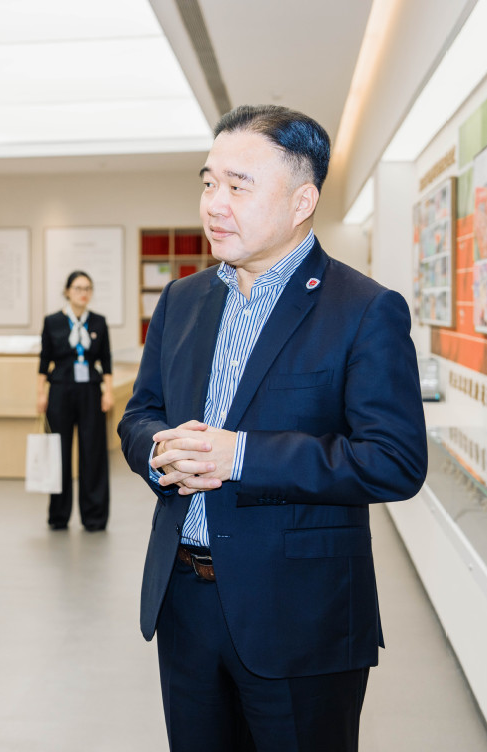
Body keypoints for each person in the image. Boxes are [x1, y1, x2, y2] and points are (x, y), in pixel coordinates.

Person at [118, 104, 427, 752]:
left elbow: (393, 459)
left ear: (301, 201)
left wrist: (240, 456)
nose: (214, 204)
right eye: (208, 183)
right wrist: (158, 450)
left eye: (238, 186)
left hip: (300, 617)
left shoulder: (364, 309)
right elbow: (140, 413)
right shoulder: (182, 300)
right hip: (185, 603)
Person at [36, 270, 113, 531]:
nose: (83, 293)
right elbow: (44, 361)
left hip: (90, 391)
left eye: (88, 288)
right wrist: (40, 394)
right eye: (78, 288)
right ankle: (58, 515)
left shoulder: (99, 322)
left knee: (93, 452)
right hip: (60, 390)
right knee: (59, 453)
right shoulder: (53, 321)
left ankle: (94, 517)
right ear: (68, 291)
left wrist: (108, 392)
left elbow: (106, 360)